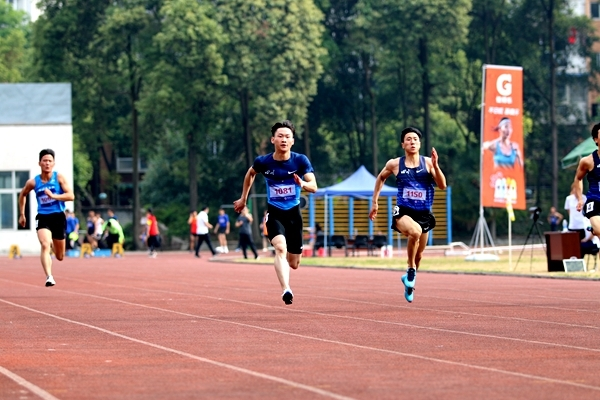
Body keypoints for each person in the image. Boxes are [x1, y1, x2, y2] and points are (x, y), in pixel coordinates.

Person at [233, 120, 317, 305]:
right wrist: (243, 199)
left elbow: (314, 186)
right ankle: (286, 289)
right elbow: (250, 174)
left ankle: (286, 262)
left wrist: (302, 184)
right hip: (275, 213)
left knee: (294, 263)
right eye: (280, 136)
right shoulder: (263, 162)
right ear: (273, 139)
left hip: (294, 215)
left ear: (292, 141)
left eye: (287, 137)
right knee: (280, 248)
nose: (283, 140)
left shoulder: (300, 160)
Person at [369, 127, 447, 303]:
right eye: (408, 139)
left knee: (419, 254)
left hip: (424, 213)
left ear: (419, 144)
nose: (412, 142)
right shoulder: (395, 164)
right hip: (403, 211)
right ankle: (410, 269)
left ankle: (409, 281)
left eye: (415, 139)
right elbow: (381, 178)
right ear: (403, 144)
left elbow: (442, 185)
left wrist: (436, 166)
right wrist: (375, 201)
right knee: (415, 232)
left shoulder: (427, 163)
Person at [18, 149, 75, 287]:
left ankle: (54, 252)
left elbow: (71, 196)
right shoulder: (34, 182)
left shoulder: (59, 178)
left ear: (53, 163)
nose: (47, 163)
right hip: (43, 217)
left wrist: (54, 196)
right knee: (45, 244)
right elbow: (22, 194)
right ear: (40, 163)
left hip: (58, 217)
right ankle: (49, 276)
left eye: (50, 161)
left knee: (60, 256)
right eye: (44, 161)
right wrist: (22, 214)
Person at [574, 122, 600, 239]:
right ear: (596, 139)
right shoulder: (588, 161)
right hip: (595, 200)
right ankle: (596, 229)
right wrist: (580, 199)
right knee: (599, 230)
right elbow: (578, 178)